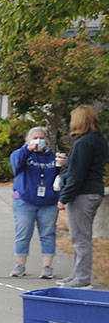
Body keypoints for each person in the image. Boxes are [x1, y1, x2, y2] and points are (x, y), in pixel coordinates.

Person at [57, 105, 107, 288]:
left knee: (80, 238)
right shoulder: (98, 140)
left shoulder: (84, 143)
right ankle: (77, 274)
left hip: (82, 194)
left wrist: (64, 197)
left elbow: (78, 174)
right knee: (81, 237)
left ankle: (82, 278)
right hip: (93, 191)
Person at [9, 126, 62, 279]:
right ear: (28, 140)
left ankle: (47, 267)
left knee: (48, 234)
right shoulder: (22, 154)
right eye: (35, 138)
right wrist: (28, 149)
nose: (39, 141)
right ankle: (20, 265)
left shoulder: (53, 157)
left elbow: (62, 177)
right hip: (25, 201)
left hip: (49, 202)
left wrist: (63, 166)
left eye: (42, 138)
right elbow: (16, 165)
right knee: (23, 233)